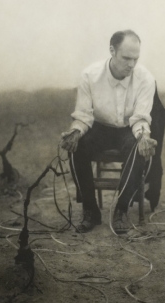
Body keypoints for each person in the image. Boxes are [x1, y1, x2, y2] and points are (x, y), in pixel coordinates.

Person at [60, 30, 158, 235]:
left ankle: (121, 209)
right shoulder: (90, 75)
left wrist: (143, 137)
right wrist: (75, 132)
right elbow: (84, 115)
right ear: (112, 51)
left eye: (136, 58)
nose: (131, 64)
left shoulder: (145, 79)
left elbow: (140, 117)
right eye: (126, 58)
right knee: (77, 146)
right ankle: (90, 210)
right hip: (100, 128)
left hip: (129, 129)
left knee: (137, 148)